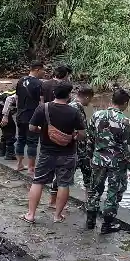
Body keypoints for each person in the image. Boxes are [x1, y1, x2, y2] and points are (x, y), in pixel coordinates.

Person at [23, 82, 86, 224]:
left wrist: (45, 131)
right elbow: (82, 134)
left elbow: (32, 127)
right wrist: (73, 136)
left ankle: (31, 215)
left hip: (46, 152)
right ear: (68, 96)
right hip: (68, 153)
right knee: (64, 184)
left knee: (38, 181)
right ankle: (57, 216)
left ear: (53, 94)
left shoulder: (43, 108)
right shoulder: (73, 111)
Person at [85, 87, 130, 233]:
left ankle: (90, 220)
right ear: (125, 103)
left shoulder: (96, 115)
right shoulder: (125, 121)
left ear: (112, 100)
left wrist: (90, 157)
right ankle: (107, 225)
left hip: (98, 160)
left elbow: (90, 139)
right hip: (117, 163)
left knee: (94, 190)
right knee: (113, 192)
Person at [50, 85, 94, 207]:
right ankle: (88, 202)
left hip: (71, 148)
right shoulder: (76, 109)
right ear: (86, 96)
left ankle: (53, 201)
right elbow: (81, 132)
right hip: (77, 149)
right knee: (85, 176)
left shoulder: (70, 106)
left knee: (63, 174)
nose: (90, 102)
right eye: (90, 99)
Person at [13, 62, 45, 174]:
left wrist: (18, 112)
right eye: (42, 70)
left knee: (20, 139)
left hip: (20, 115)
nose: (43, 72)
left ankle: (19, 165)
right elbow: (41, 103)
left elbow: (16, 98)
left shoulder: (20, 81)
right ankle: (31, 167)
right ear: (37, 70)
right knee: (32, 142)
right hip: (33, 116)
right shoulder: (39, 83)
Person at [0, 88, 17, 159]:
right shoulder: (22, 91)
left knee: (5, 127)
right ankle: (9, 153)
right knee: (10, 128)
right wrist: (5, 116)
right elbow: (9, 99)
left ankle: (2, 151)